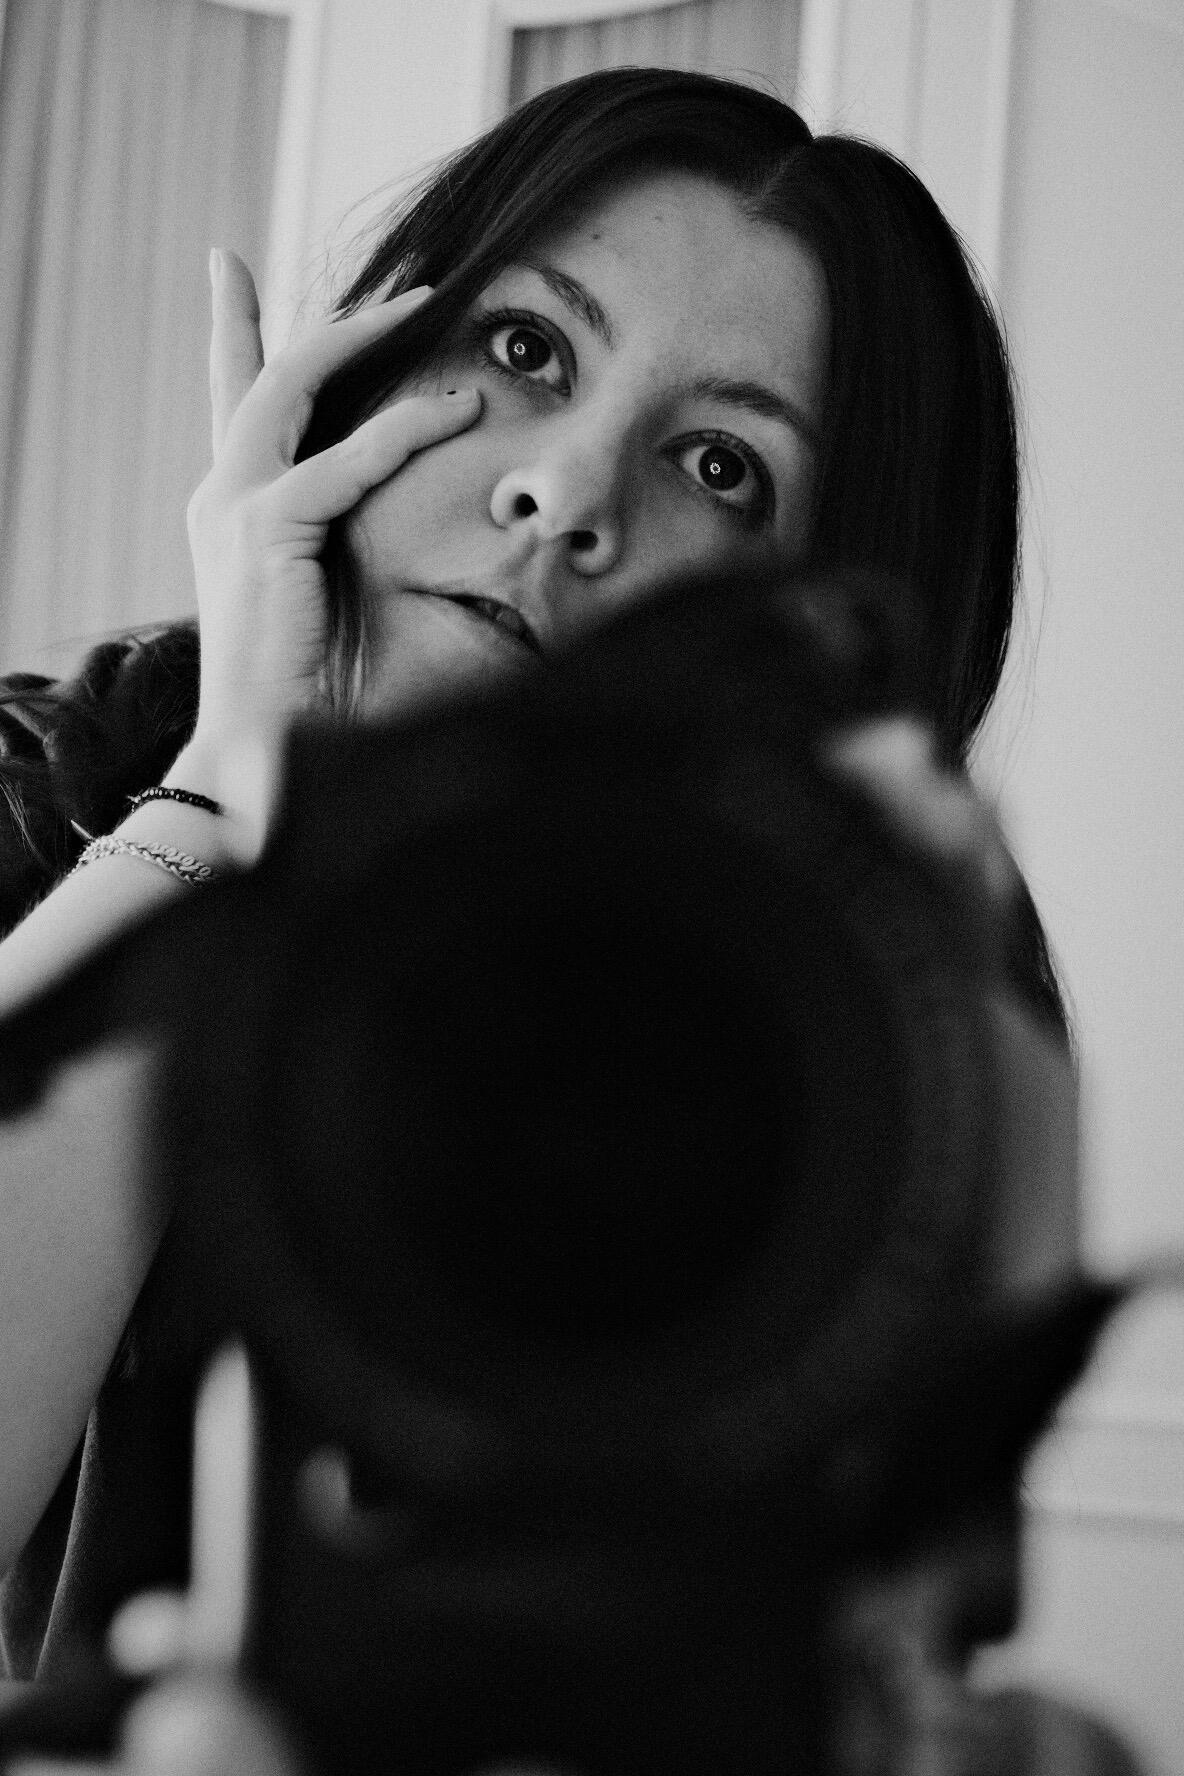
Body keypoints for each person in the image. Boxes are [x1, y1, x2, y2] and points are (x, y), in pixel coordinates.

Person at [0, 63, 1069, 1716]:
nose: (566, 492)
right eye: (524, 350)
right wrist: (227, 786)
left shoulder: (858, 988)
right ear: (364, 362)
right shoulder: (49, 784)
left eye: (721, 467)